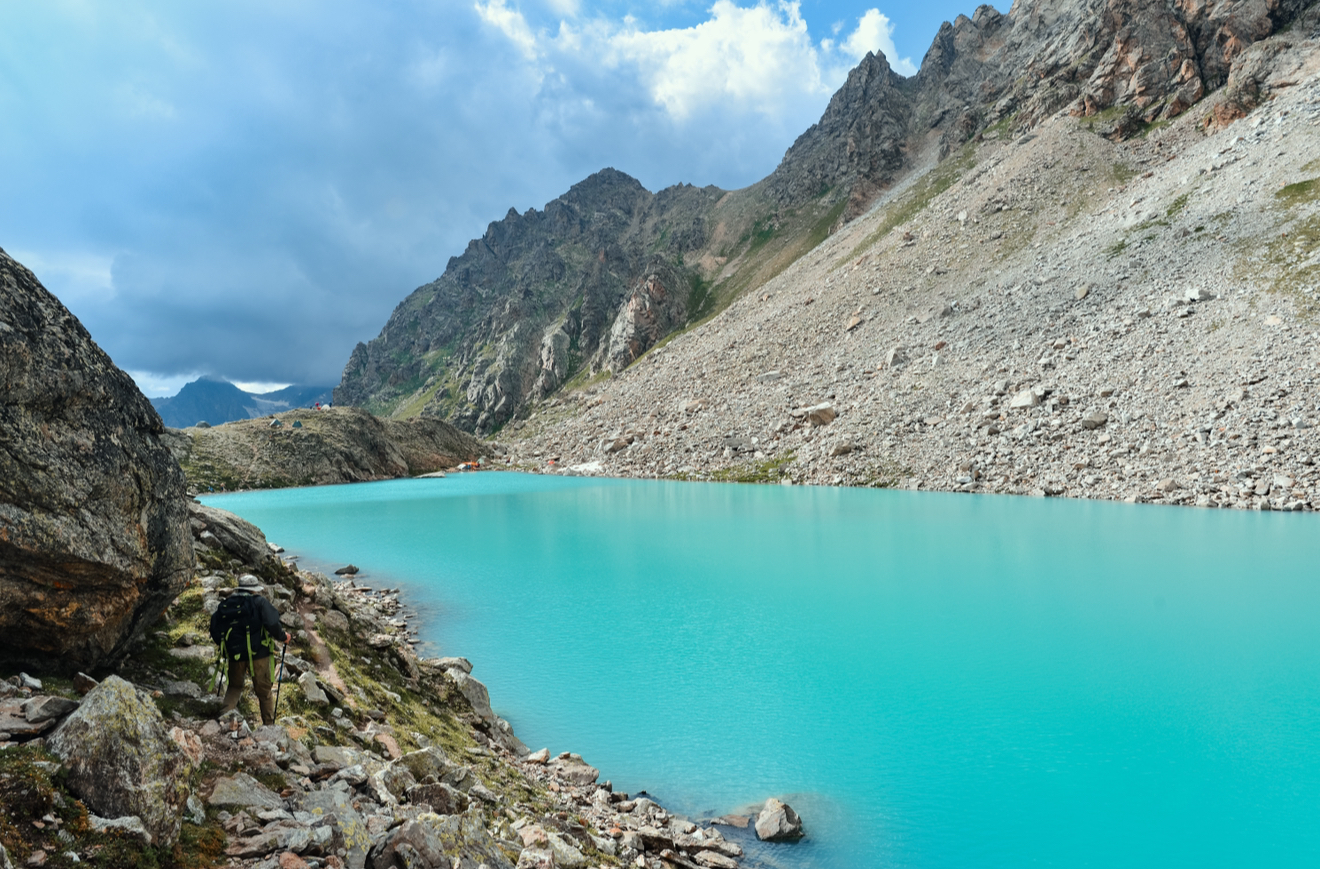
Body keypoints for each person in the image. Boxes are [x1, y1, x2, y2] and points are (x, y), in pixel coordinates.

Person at [209, 575, 291, 725]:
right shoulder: (259, 602)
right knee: (264, 692)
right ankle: (269, 727)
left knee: (234, 687)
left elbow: (214, 628)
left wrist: (226, 647)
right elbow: (272, 623)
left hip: (235, 655)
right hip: (259, 654)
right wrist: (283, 636)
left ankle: (223, 722)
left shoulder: (227, 604)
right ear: (254, 589)